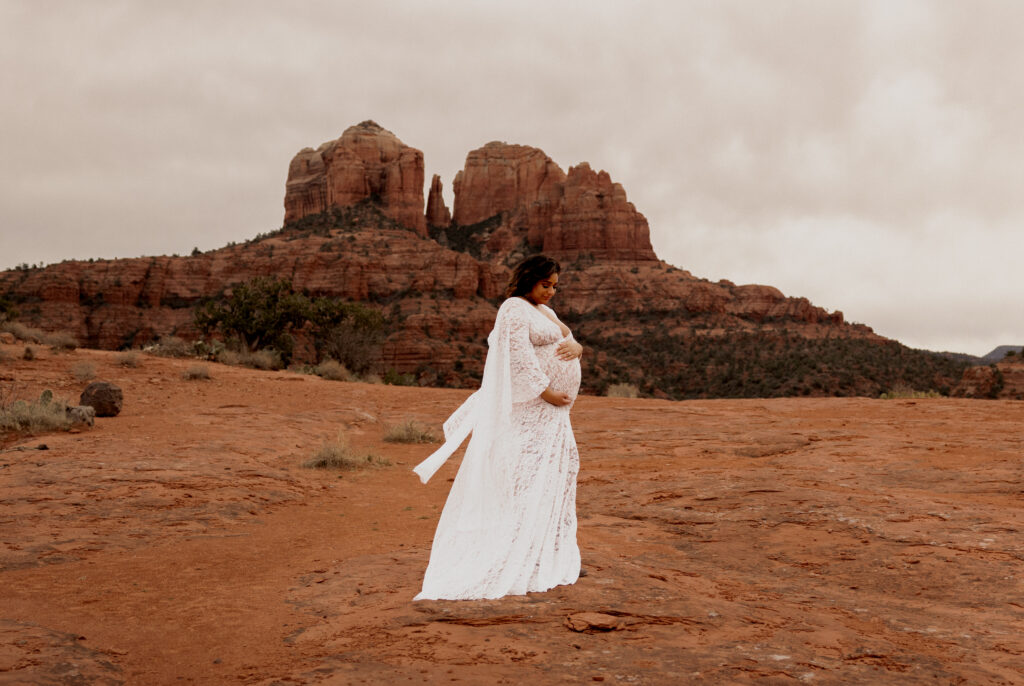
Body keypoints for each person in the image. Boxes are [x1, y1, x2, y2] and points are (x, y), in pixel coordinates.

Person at [412, 255, 584, 600]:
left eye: (554, 286)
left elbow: (568, 335)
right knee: (525, 476)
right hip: (534, 408)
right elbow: (516, 355)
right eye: (545, 284)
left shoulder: (545, 312)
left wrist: (578, 346)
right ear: (528, 280)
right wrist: (546, 392)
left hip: (553, 415)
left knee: (555, 475)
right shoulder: (513, 308)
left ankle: (541, 550)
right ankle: (511, 550)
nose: (550, 292)